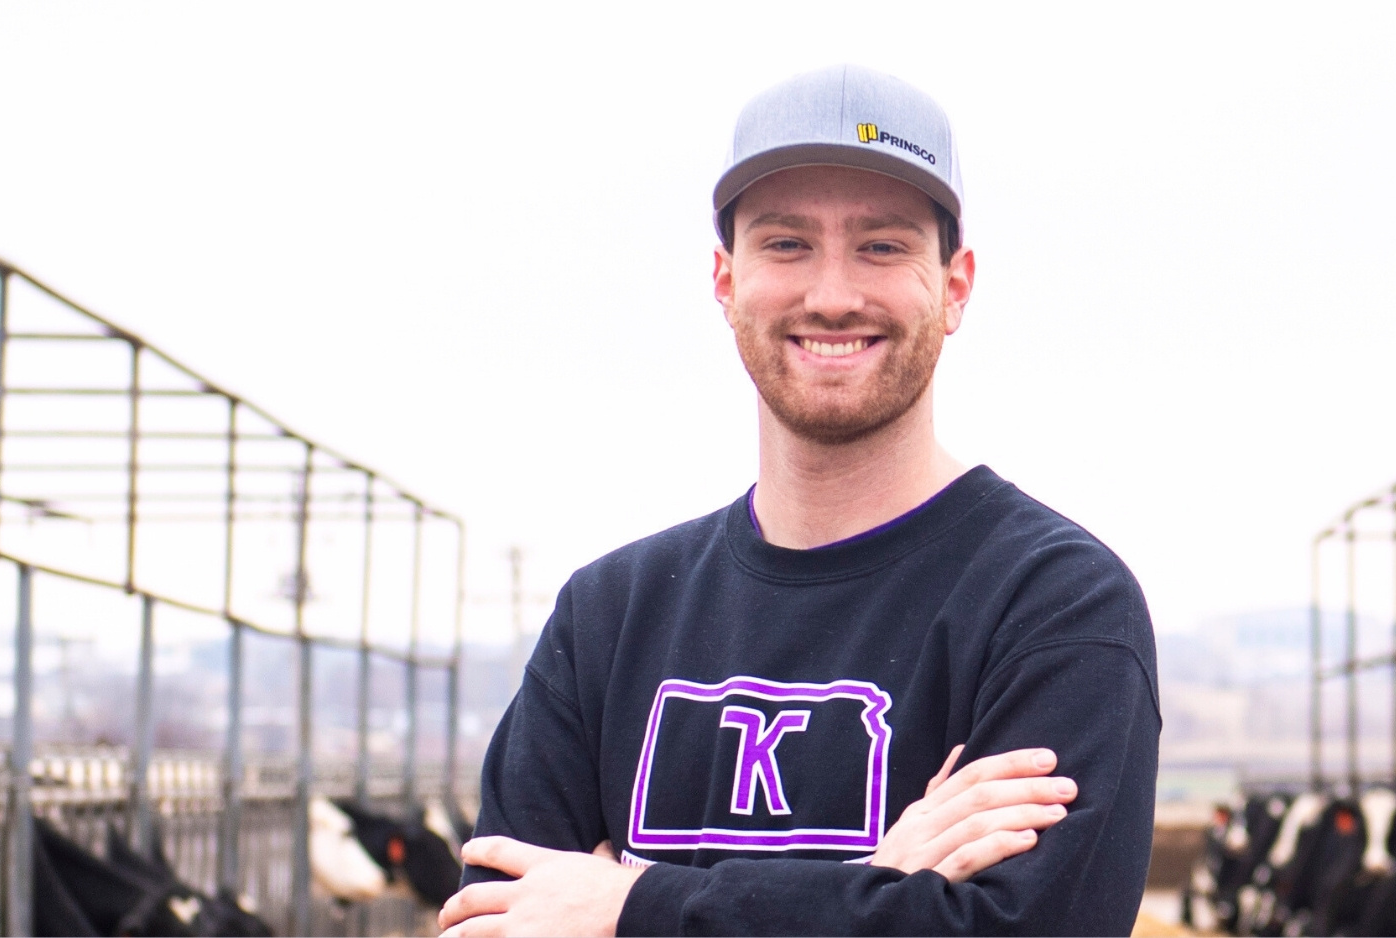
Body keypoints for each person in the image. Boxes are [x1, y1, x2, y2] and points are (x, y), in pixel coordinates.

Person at [438, 65, 1160, 937]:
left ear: (956, 284)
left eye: (882, 245)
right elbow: (495, 919)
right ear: (725, 279)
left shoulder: (1054, 605)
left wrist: (631, 908)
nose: (831, 295)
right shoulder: (608, 618)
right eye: (785, 244)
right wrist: (883, 890)